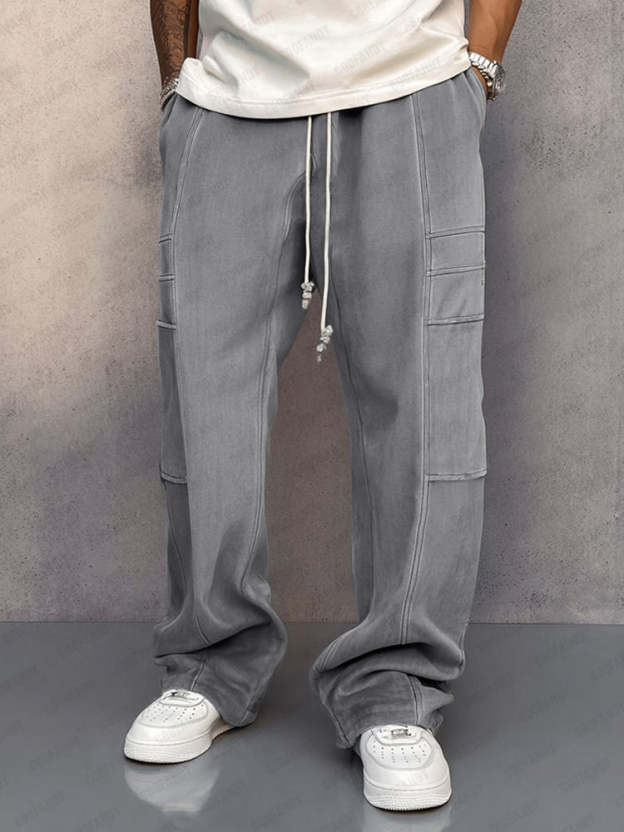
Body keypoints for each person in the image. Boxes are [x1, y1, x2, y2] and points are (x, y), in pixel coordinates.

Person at [124, 0, 521, 811]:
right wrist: (178, 80)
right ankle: (208, 661)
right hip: (228, 95)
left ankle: (399, 683)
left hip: (410, 81)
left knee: (426, 402)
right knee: (204, 398)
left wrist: (478, 67)